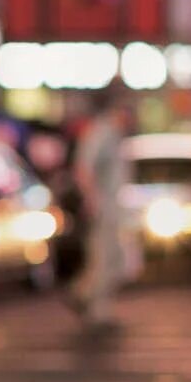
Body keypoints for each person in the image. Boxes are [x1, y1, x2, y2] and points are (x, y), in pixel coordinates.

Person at [72, 93, 129, 331]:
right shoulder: (103, 132)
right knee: (105, 258)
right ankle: (91, 304)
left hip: (110, 205)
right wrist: (92, 199)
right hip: (103, 205)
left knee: (112, 258)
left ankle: (85, 294)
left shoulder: (113, 134)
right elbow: (84, 168)